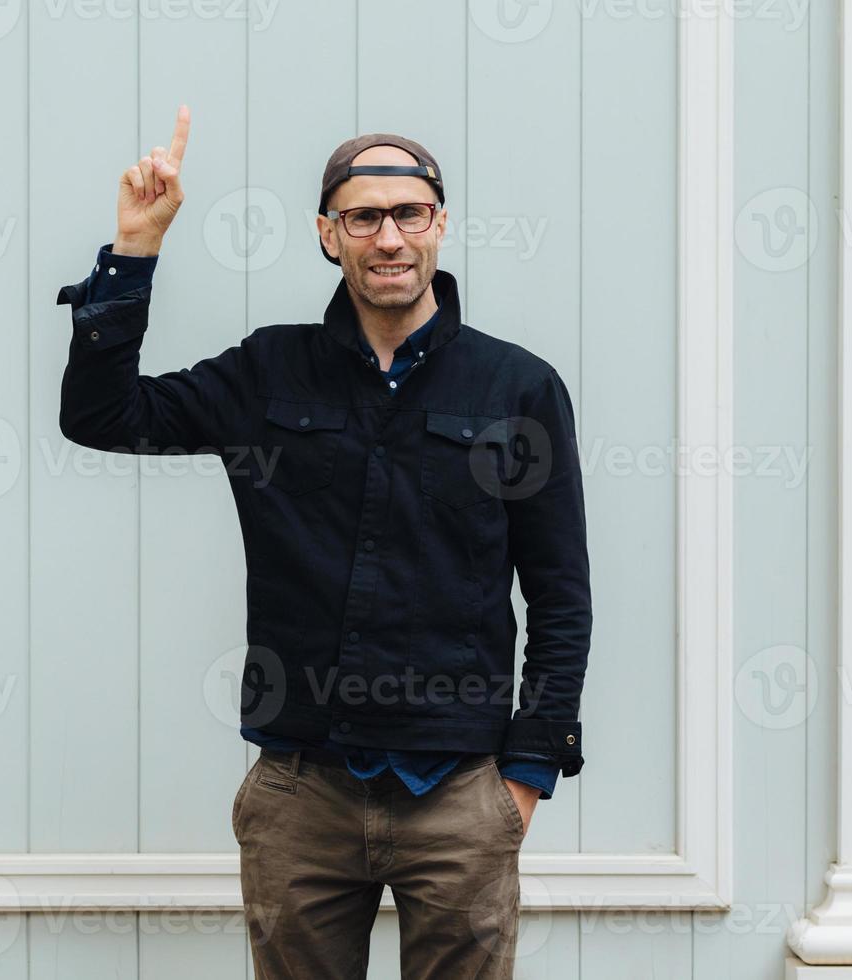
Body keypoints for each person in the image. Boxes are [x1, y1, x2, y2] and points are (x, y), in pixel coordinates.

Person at [58, 104, 592, 979]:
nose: (388, 237)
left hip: (459, 792)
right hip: (300, 791)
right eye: (362, 216)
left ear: (439, 225)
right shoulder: (268, 370)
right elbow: (103, 417)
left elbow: (562, 597)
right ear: (327, 233)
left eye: (408, 214)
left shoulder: (518, 387)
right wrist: (136, 252)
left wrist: (527, 774)